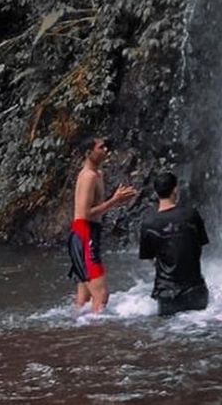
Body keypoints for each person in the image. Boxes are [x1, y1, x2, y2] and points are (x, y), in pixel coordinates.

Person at [67, 135, 138, 313]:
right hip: (84, 234)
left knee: (83, 300)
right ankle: (97, 335)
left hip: (90, 234)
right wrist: (114, 201)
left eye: (105, 147)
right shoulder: (88, 176)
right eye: (100, 148)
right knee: (102, 296)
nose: (105, 150)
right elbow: (84, 213)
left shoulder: (98, 174)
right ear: (88, 152)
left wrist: (116, 201)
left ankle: (78, 333)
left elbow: (95, 207)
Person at [138, 171, 210, 316]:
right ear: (175, 190)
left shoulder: (148, 223)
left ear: (156, 193)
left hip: (167, 294)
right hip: (195, 291)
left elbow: (148, 258)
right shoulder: (191, 215)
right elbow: (200, 244)